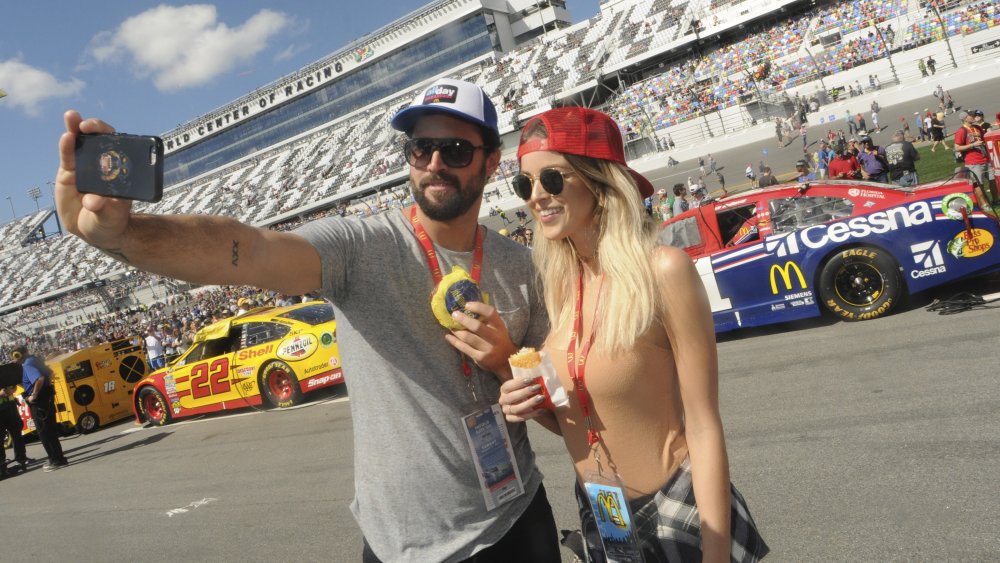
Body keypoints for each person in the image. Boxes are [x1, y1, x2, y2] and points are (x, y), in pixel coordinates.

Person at [55, 78, 560, 562]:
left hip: (516, 522)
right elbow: (247, 250)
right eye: (419, 148)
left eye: (454, 150)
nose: (433, 164)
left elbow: (559, 409)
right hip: (403, 546)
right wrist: (122, 235)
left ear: (492, 161)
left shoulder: (522, 266)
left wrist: (505, 370)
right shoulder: (361, 248)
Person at [500, 107, 768, 562]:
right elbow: (580, 417)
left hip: (679, 509)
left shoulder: (662, 271)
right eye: (525, 184)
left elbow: (703, 426)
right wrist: (528, 401)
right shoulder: (561, 285)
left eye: (553, 179)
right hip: (604, 514)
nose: (536, 197)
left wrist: (717, 554)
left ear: (600, 182)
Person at [15, 345, 68, 472]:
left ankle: (56, 460)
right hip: (46, 398)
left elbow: (40, 378)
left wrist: (34, 395)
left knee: (45, 432)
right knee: (50, 430)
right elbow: (50, 374)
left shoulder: (27, 364)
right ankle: (58, 458)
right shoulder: (35, 360)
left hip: (39, 402)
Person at [954, 110, 994, 193]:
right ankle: (984, 204)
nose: (974, 117)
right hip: (974, 162)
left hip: (986, 159)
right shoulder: (961, 131)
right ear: (965, 119)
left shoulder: (978, 128)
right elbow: (957, 148)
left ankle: (996, 200)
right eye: (971, 116)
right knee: (979, 184)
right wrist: (973, 145)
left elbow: (984, 139)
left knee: (993, 180)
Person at [0, 379, 30, 478]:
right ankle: (2, 466)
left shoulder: (4, 372)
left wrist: (13, 389)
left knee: (17, 434)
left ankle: (21, 459)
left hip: (10, 406)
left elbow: (12, 385)